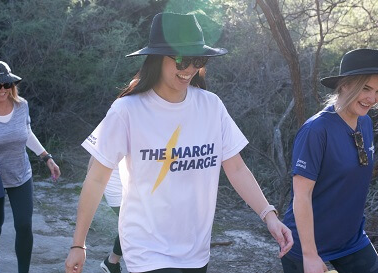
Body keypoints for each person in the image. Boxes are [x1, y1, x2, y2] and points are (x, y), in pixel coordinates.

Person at [65, 12, 292, 273]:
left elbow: (236, 168)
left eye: (198, 60)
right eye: (182, 59)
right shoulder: (127, 110)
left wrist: (269, 216)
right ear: (157, 58)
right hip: (147, 247)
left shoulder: (212, 106)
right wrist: (78, 244)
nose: (189, 70)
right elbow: (96, 178)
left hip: (196, 249)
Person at [280, 48, 378, 273]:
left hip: (351, 239)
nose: (373, 99)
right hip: (306, 242)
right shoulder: (316, 130)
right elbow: (302, 196)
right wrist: (310, 255)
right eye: (366, 88)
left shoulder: (365, 123)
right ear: (344, 85)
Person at [0, 61, 61, 273]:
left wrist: (47, 157)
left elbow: (27, 134)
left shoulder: (21, 106)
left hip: (20, 174)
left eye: (6, 84)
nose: (3, 90)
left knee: (24, 225)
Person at [87, 156, 124, 273]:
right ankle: (112, 261)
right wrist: (89, 183)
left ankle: (112, 262)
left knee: (135, 226)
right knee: (137, 224)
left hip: (137, 186)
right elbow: (95, 154)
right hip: (117, 186)